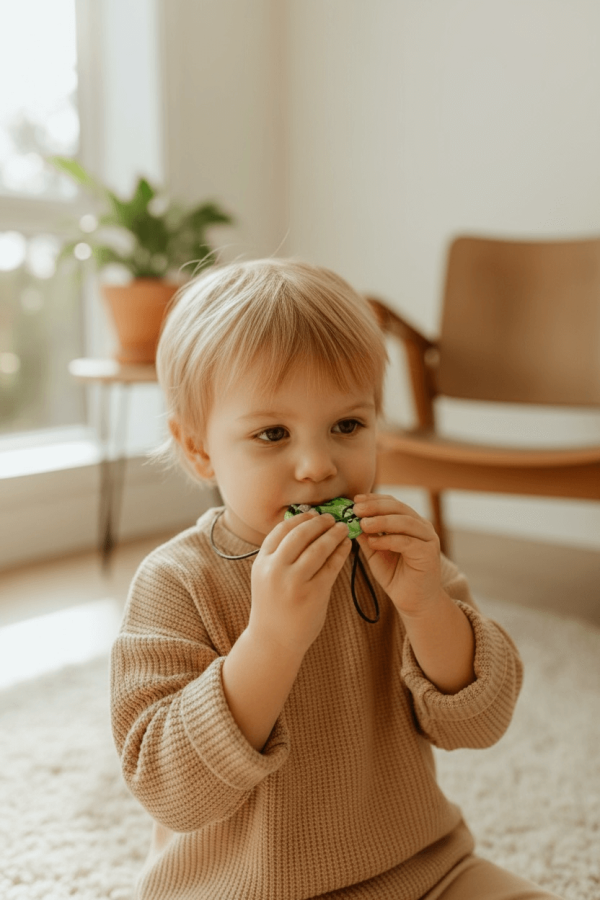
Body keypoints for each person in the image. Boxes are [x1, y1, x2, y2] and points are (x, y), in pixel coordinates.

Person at [110, 258, 562, 900]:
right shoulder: (177, 582)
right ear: (199, 450)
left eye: (347, 426)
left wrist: (428, 605)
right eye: (272, 434)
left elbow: (479, 723)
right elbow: (168, 787)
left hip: (423, 868)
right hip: (239, 889)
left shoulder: (398, 559)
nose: (318, 466)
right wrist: (271, 641)